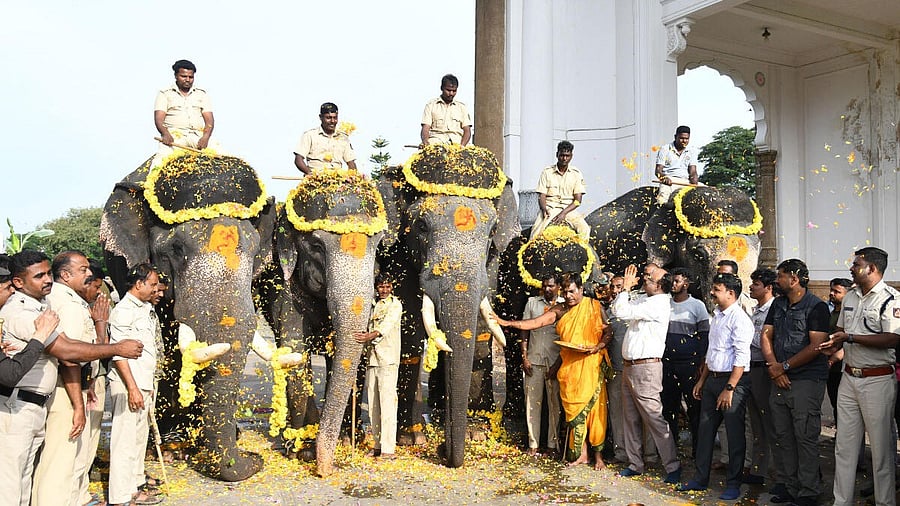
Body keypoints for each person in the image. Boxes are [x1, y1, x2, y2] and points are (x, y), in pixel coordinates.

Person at [0, 250, 142, 506]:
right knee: (16, 484)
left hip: (34, 405)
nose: (47, 280)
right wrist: (116, 349)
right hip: (18, 407)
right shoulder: (23, 311)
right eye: (39, 275)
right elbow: (66, 352)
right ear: (18, 282)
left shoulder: (42, 305)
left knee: (23, 482)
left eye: (47, 273)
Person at [495, 273, 611, 469]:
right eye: (566, 292)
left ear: (581, 290)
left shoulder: (594, 306)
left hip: (590, 364)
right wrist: (508, 323)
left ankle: (598, 456)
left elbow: (608, 331)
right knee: (574, 411)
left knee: (595, 411)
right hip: (569, 369)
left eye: (572, 291)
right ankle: (582, 454)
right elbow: (536, 323)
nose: (569, 296)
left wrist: (598, 346)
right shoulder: (560, 309)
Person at [818, 247, 900, 506]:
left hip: (877, 379)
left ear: (872, 269)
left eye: (856, 264)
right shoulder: (851, 297)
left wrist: (850, 338)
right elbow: (841, 330)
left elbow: (893, 338)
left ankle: (885, 502)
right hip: (849, 378)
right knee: (844, 446)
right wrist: (832, 345)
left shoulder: (891, 298)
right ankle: (841, 502)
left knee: (881, 449)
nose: (851, 268)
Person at [31, 252, 107, 506]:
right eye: (83, 270)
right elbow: (70, 358)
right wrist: (78, 405)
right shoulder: (66, 303)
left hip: (73, 388)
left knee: (65, 461)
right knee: (59, 465)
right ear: (65, 275)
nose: (89, 274)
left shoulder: (67, 299)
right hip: (66, 391)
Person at [759, 258, 830, 506]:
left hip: (806, 380)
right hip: (778, 378)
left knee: (805, 436)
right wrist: (774, 368)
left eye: (780, 276)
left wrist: (784, 366)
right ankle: (790, 485)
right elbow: (765, 336)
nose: (776, 280)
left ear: (794, 279)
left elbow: (817, 345)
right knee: (782, 435)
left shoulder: (816, 307)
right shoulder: (778, 305)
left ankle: (809, 490)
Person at [677, 273, 753, 500]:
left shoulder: (740, 319)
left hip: (733, 382)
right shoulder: (718, 316)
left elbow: (741, 358)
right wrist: (702, 380)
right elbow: (713, 352)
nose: (712, 293)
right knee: (705, 430)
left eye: (717, 289)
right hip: (712, 379)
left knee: (734, 433)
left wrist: (729, 389)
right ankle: (700, 479)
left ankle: (733, 483)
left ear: (731, 293)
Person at [612, 264, 682, 483]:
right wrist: (627, 290)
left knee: (653, 416)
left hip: (646, 367)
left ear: (660, 285)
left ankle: (672, 465)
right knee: (629, 416)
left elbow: (621, 310)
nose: (643, 280)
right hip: (630, 365)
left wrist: (625, 289)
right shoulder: (646, 300)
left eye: (648, 278)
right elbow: (621, 309)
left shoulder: (659, 304)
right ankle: (635, 463)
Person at [107, 264, 163, 506]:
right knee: (125, 442)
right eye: (152, 285)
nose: (155, 289)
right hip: (129, 384)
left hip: (144, 383)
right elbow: (119, 354)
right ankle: (119, 497)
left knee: (138, 441)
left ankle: (134, 489)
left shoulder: (145, 308)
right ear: (138, 284)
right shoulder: (123, 311)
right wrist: (132, 388)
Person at [661, 267, 709, 457]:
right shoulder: (664, 304)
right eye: (672, 281)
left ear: (686, 284)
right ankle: (671, 450)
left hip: (689, 364)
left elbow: (704, 335)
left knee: (694, 409)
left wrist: (701, 361)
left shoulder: (697, 306)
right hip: (667, 363)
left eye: (677, 281)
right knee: (669, 408)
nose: (673, 284)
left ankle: (698, 452)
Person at [76, 260, 113, 506]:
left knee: (91, 438)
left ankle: (82, 489)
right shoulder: (80, 311)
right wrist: (100, 322)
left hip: (94, 381)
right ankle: (79, 494)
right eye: (96, 287)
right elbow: (96, 350)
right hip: (81, 384)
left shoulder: (95, 307)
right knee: (80, 443)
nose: (100, 294)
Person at [353, 273, 402, 459]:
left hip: (388, 359)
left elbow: (386, 326)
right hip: (372, 360)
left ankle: (389, 449)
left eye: (387, 286)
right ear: (376, 287)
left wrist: (368, 336)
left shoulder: (395, 305)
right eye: (381, 286)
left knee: (388, 404)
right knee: (373, 405)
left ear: (392, 288)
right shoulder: (371, 304)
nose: (384, 290)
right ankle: (377, 445)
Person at [520, 275, 564, 456]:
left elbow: (566, 337)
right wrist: (524, 357)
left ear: (558, 287)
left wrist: (558, 363)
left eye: (551, 286)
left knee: (555, 405)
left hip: (555, 362)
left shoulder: (564, 305)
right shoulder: (532, 303)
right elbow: (524, 330)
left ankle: (552, 446)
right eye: (545, 286)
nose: (547, 289)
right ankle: (533, 444)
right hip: (534, 361)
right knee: (532, 403)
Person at [0, 258, 59, 388]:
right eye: (7, 287)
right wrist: (40, 336)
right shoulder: (18, 312)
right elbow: (10, 375)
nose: (13, 291)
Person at [743, 268, 779, 486]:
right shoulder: (755, 310)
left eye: (756, 284)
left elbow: (764, 341)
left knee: (771, 422)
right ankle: (758, 470)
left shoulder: (774, 310)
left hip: (766, 369)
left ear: (768, 287)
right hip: (751, 367)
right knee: (756, 423)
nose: (751, 287)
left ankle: (778, 472)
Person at [153, 59, 215, 163]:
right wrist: (165, 134)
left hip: (197, 135)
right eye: (184, 76)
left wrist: (206, 137)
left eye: (191, 77)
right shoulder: (164, 93)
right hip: (175, 136)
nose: (187, 80)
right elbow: (159, 119)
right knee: (159, 163)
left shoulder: (202, 94)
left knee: (224, 157)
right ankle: (150, 179)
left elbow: (209, 121)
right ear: (176, 76)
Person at [530, 141, 591, 240]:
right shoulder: (547, 172)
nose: (564, 158)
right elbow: (542, 196)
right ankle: (528, 254)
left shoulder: (576, 173)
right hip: (550, 208)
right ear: (557, 155)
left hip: (569, 209)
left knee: (585, 229)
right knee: (535, 233)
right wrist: (544, 209)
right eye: (562, 155)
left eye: (567, 156)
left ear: (571, 156)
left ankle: (585, 254)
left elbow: (578, 201)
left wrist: (563, 213)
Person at [293, 102, 357, 174]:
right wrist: (309, 173)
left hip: (337, 180)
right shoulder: (310, 135)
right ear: (321, 117)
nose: (332, 121)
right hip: (315, 180)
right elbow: (298, 160)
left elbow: (351, 163)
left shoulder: (343, 138)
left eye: (335, 118)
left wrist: (352, 177)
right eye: (328, 118)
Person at [825, 277, 853, 424]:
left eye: (837, 291)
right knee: (835, 401)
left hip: (842, 366)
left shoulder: (849, 315)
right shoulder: (828, 312)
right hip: (830, 366)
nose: (832, 293)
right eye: (831, 290)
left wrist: (833, 359)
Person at [420, 74, 472, 146]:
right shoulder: (431, 106)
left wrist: (462, 146)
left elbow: (467, 131)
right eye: (448, 90)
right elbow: (425, 128)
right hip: (436, 141)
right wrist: (426, 143)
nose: (451, 93)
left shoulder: (462, 107)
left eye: (454, 91)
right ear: (442, 88)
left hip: (457, 142)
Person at [655, 125, 699, 205]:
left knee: (708, 194)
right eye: (682, 138)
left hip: (686, 181)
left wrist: (694, 179)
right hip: (670, 182)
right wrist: (664, 178)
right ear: (675, 137)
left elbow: (693, 171)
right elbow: (658, 170)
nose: (684, 141)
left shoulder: (692, 151)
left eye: (687, 139)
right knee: (662, 201)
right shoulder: (665, 149)